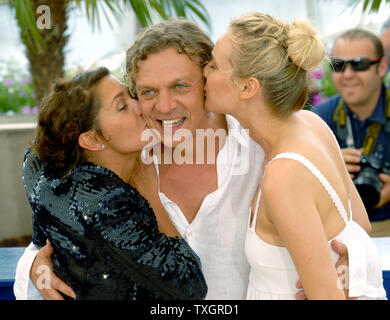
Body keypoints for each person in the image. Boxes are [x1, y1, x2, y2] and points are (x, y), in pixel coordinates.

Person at [15, 19, 350, 300]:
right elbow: (59, 217)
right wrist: (33, 264)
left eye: (179, 86)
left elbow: (349, 222)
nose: (164, 106)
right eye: (148, 92)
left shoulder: (263, 146)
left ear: (207, 82)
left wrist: (344, 270)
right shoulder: (117, 160)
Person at [203, 12, 387, 299]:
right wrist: (346, 267)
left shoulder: (284, 174)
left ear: (247, 87)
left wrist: (329, 285)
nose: (204, 71)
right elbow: (359, 224)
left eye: (213, 65)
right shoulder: (311, 123)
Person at [20, 66, 207, 300]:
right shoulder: (111, 204)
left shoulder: (38, 166)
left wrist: (40, 260)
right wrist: (150, 192)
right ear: (92, 139)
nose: (139, 106)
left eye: (130, 94)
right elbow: (190, 286)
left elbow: (44, 237)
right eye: (122, 106)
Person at [313, 29, 390, 237]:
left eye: (359, 64)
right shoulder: (317, 119)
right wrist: (330, 169)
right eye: (339, 65)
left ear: (381, 67)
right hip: (339, 230)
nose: (347, 74)